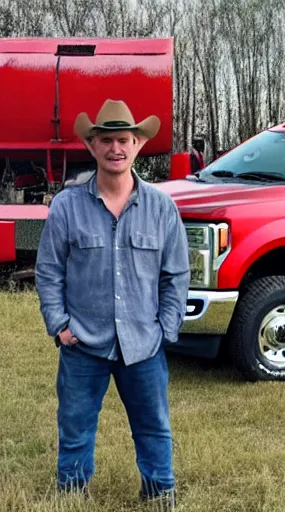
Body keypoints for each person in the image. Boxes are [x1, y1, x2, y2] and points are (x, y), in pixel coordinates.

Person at [35, 99, 190, 510]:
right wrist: (59, 325)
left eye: (124, 139)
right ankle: (71, 497)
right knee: (75, 428)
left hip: (143, 344)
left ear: (138, 143)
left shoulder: (162, 208)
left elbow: (176, 274)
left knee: (154, 428)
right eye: (106, 140)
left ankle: (160, 496)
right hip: (82, 343)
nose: (115, 148)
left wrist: (165, 329)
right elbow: (49, 271)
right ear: (93, 146)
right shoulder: (67, 207)